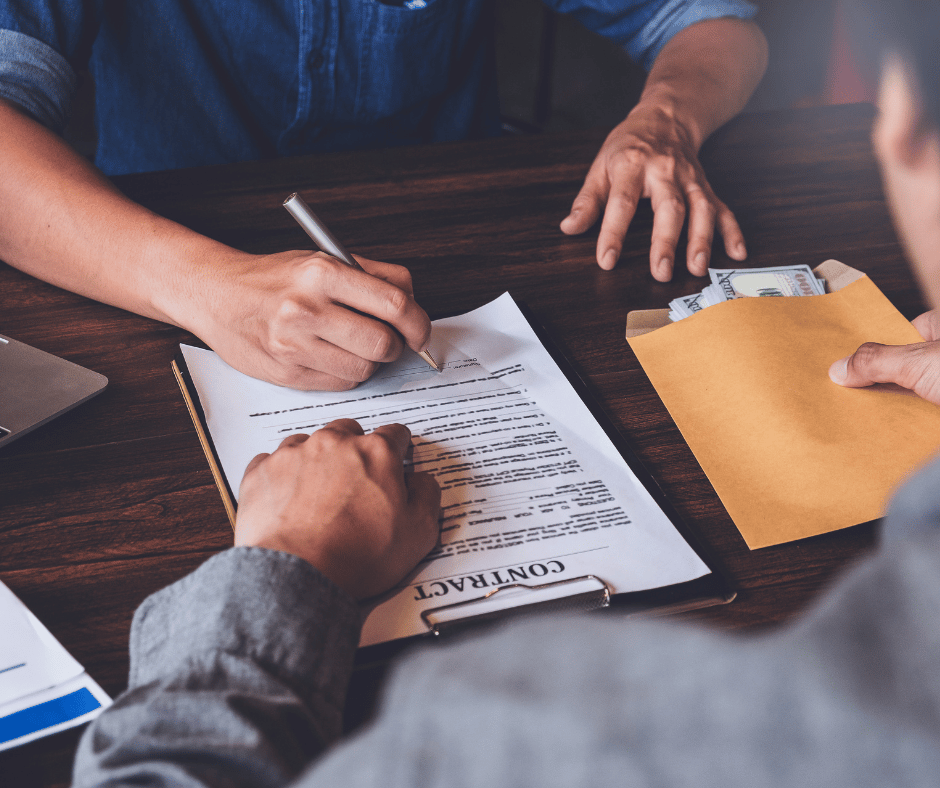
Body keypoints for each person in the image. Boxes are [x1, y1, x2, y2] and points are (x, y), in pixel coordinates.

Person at [64, 2, 940, 783]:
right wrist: (197, 283)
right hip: (118, 249)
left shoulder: (487, 733)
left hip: (454, 218)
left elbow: (709, 19)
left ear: (897, 120)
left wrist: (285, 576)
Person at [0, 1, 767, 390]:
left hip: (462, 253)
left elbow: (716, 23)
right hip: (135, 266)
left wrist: (666, 117)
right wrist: (203, 285)